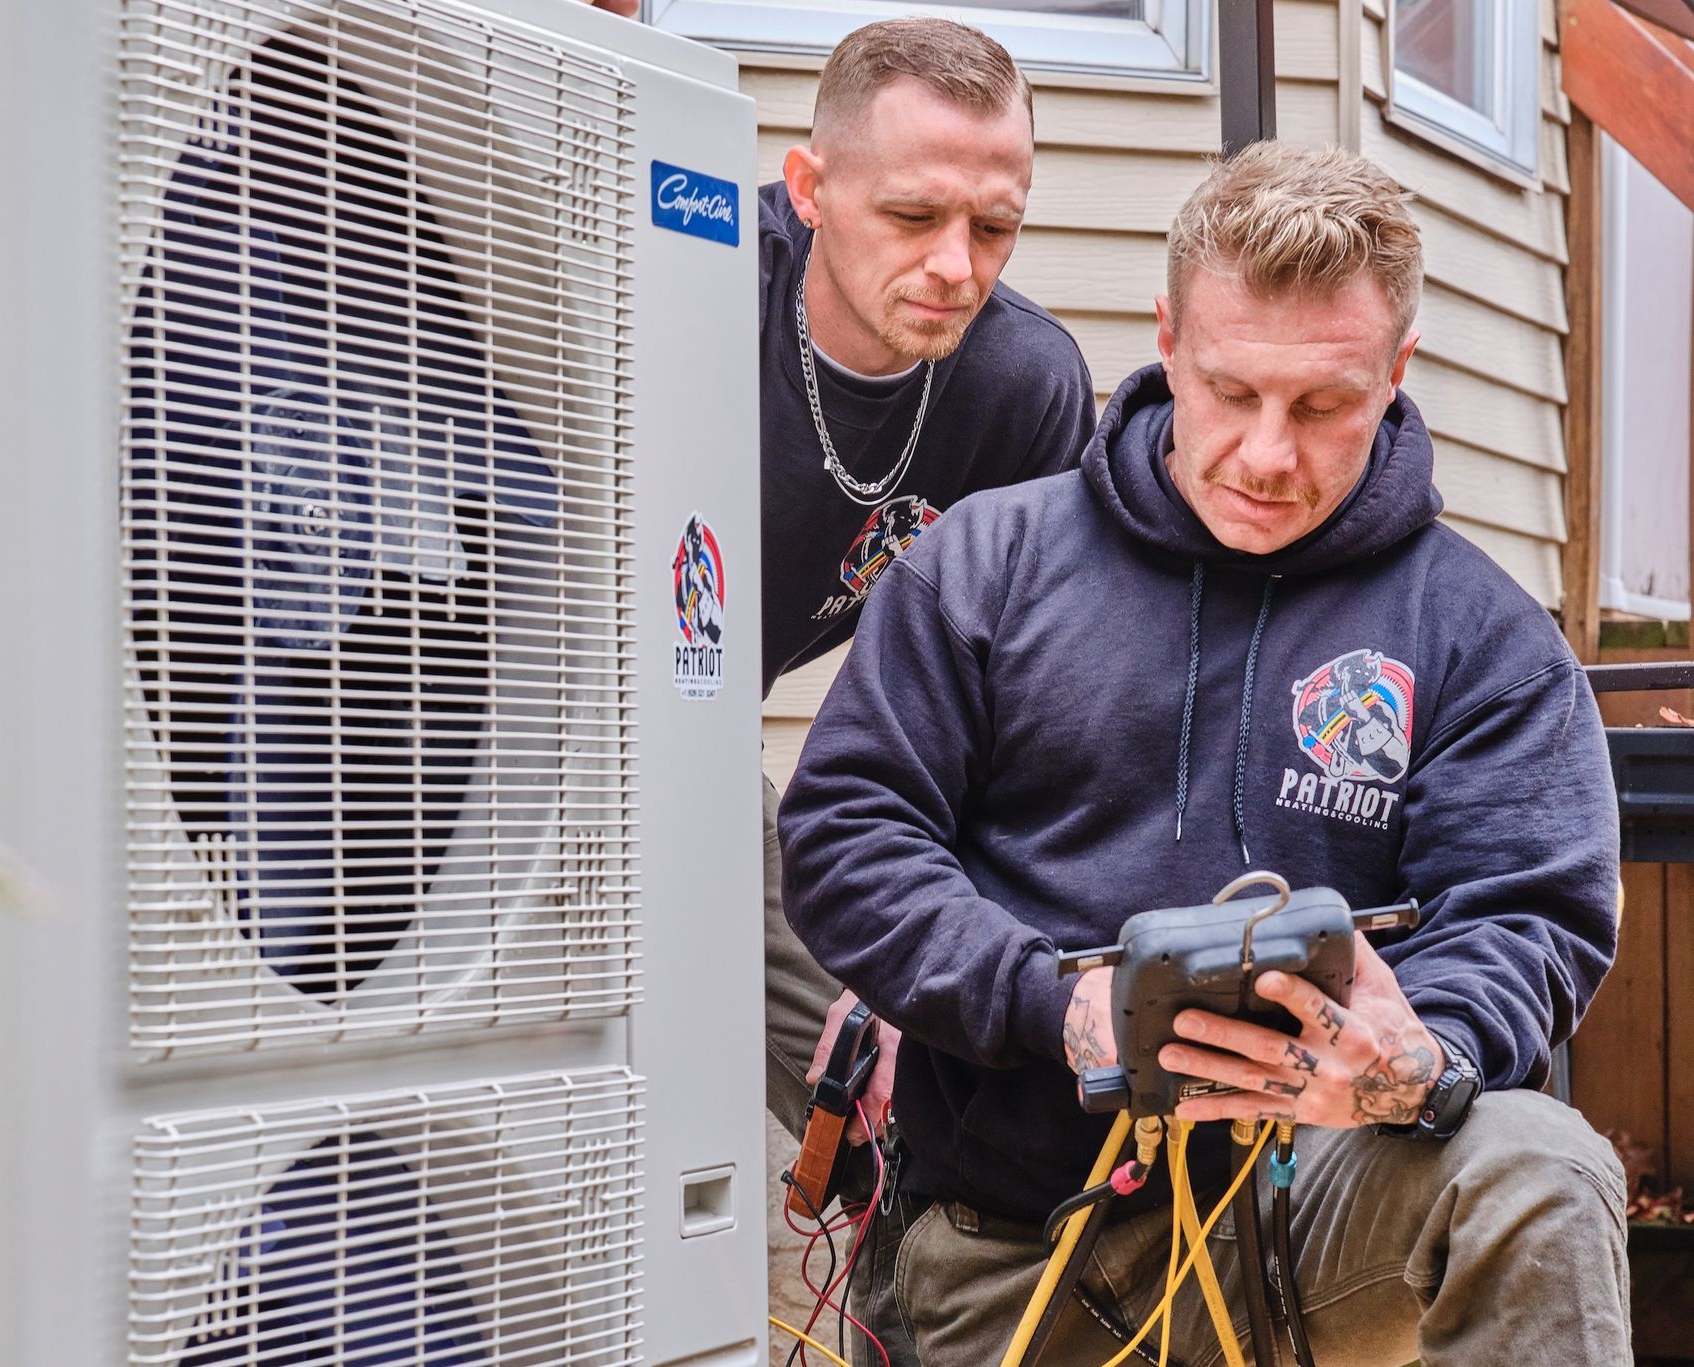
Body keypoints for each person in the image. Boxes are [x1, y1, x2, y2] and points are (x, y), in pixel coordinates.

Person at [779, 142, 1629, 1366]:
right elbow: (849, 836)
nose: (1269, 455)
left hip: (1318, 1216)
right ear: (1168, 338)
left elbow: (1531, 914)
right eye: (1231, 391)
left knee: (1542, 1170)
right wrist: (1051, 1001)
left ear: (1398, 371)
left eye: (1326, 403)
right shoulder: (986, 563)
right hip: (1013, 1247)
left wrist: (1415, 1056)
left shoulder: (1482, 635)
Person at [581, 5, 1097, 1150]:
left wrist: (924, 942)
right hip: (509, 724)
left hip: (704, 738)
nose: (955, 265)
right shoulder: (686, 284)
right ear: (809, 188)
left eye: (995, 227)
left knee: (889, 1084)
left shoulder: (1020, 386)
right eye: (912, 214)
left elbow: (1015, 705)